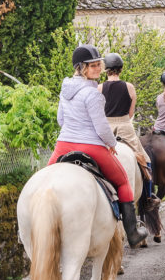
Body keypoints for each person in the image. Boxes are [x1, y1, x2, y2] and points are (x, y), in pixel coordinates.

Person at [47, 44, 148, 247]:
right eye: (92, 66)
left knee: (45, 180)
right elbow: (102, 128)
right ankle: (133, 232)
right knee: (122, 182)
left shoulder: (65, 88)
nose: (98, 68)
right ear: (81, 67)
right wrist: (111, 144)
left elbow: (60, 120)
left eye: (98, 64)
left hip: (63, 144)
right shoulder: (93, 94)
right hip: (90, 145)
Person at [100, 52, 158, 204]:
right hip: (125, 126)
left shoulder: (99, 88)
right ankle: (149, 196)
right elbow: (131, 112)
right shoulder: (130, 87)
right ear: (121, 69)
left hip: (105, 127)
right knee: (145, 159)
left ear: (106, 69)